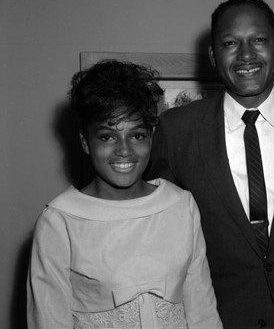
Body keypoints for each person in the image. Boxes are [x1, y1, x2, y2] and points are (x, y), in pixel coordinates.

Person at [146, 0, 274, 329]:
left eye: (258, 40)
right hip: (216, 318)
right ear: (213, 55)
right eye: (230, 43)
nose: (246, 55)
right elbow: (161, 241)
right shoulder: (177, 129)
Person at [27, 60, 222, 329]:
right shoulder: (60, 222)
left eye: (137, 136)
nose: (124, 150)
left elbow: (203, 313)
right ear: (85, 141)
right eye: (108, 137)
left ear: (151, 137)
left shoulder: (181, 205)